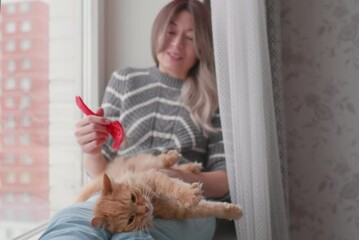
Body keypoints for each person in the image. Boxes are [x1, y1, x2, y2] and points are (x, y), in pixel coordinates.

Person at [39, 0, 228, 239]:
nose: (177, 43)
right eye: (170, 32)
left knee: (136, 236)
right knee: (69, 223)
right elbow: (102, 173)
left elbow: (225, 180)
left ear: (203, 45)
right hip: (123, 192)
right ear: (157, 31)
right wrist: (92, 150)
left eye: (190, 38)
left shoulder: (215, 98)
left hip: (185, 202)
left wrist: (177, 178)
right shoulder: (125, 80)